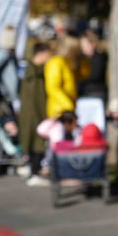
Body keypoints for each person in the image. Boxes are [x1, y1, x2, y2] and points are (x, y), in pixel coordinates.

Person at [18, 42, 52, 185]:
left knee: (34, 140)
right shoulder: (31, 71)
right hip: (33, 112)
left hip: (35, 111)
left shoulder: (34, 70)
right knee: (35, 141)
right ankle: (34, 172)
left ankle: (32, 169)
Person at [44, 32, 87, 121]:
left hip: (68, 109)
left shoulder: (67, 63)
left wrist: (84, 58)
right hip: (59, 110)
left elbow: (84, 74)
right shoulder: (56, 62)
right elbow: (53, 88)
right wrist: (68, 104)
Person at [77, 29, 108, 100]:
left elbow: (95, 74)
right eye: (82, 46)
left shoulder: (100, 56)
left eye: (85, 45)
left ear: (93, 44)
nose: (83, 49)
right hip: (83, 93)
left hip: (96, 93)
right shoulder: (82, 58)